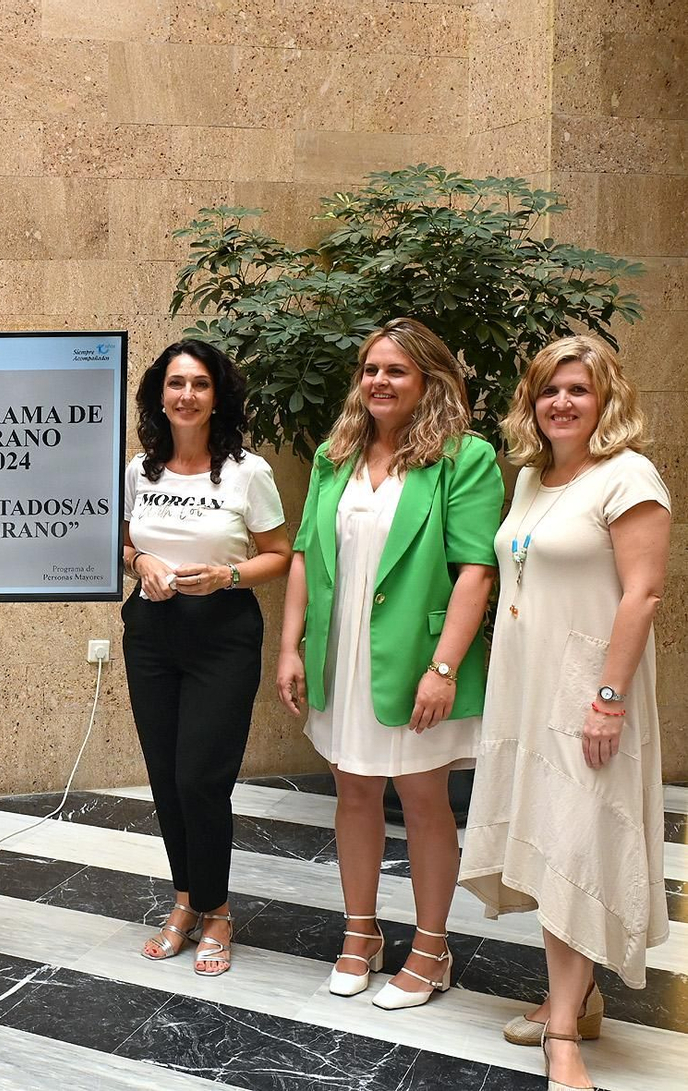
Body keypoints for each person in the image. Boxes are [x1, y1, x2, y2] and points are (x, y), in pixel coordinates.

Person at [459, 336, 669, 1091]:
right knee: (555, 844)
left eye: (577, 389)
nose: (562, 402)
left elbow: (643, 593)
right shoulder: (530, 478)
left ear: (605, 397)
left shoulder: (628, 475)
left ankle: (562, 1038)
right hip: (529, 688)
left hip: (590, 694)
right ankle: (578, 1002)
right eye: (549, 389)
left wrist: (608, 699)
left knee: (577, 849)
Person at [276, 317, 502, 1010]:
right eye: (371, 369)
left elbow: (476, 570)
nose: (379, 381)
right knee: (353, 793)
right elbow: (305, 554)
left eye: (396, 370)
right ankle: (360, 934)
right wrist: (289, 646)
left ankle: (432, 949)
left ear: (429, 380)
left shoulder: (465, 458)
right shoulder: (334, 453)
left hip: (417, 658)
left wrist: (443, 668)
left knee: (424, 798)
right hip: (340, 655)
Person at [122, 340, 291, 975]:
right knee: (166, 776)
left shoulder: (249, 472)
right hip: (151, 632)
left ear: (217, 396)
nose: (186, 395)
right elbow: (121, 544)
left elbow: (280, 555)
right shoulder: (140, 471)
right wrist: (140, 561)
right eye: (175, 384)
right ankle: (184, 903)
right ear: (159, 396)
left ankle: (217, 911)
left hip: (223, 635)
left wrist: (227, 575)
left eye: (199, 384)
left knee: (201, 778)